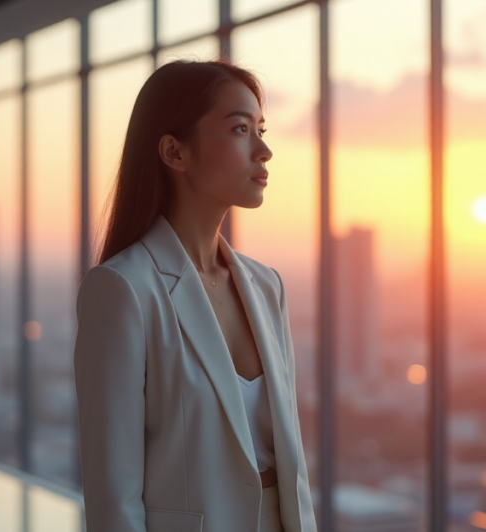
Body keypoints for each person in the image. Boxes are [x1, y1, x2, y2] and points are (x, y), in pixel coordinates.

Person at [73, 59, 317, 532]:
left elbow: (291, 466)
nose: (264, 150)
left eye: (261, 129)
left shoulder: (267, 287)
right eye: (241, 129)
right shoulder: (122, 289)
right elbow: (113, 496)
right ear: (174, 152)